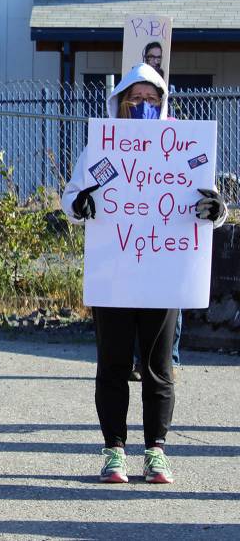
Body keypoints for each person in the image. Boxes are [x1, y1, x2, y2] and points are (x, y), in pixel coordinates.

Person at [62, 62, 228, 485]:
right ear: (120, 102)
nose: (143, 106)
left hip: (164, 272)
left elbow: (209, 201)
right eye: (134, 99)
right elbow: (71, 197)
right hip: (114, 271)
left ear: (163, 102)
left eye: (151, 99)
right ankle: (114, 449)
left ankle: (157, 449)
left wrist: (216, 211)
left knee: (159, 367)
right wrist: (79, 205)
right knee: (112, 363)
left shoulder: (185, 148)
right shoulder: (103, 150)